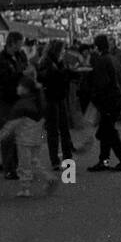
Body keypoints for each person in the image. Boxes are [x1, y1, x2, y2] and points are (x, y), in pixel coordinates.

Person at [0, 75, 55, 199]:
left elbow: (13, 123)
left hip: (24, 139)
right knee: (34, 160)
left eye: (19, 86)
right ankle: (48, 176)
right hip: (36, 138)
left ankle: (25, 188)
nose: (17, 88)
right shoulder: (38, 102)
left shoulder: (21, 105)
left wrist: (2, 134)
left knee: (24, 164)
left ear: (25, 89)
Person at [87, 34, 121, 173]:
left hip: (107, 100)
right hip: (113, 99)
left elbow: (102, 83)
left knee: (108, 132)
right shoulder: (111, 59)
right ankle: (104, 160)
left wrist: (95, 97)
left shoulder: (101, 61)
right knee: (107, 130)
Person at [0, 31, 28, 179]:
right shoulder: (0, 59)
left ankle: (16, 165)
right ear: (12, 42)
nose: (21, 45)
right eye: (20, 42)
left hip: (18, 99)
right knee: (8, 134)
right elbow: (2, 79)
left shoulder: (20, 56)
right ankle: (9, 168)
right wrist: (20, 74)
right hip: (5, 100)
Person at [37, 39, 74, 171]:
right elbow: (45, 77)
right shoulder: (47, 62)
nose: (64, 52)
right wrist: (63, 74)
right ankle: (56, 159)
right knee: (54, 130)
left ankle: (66, 157)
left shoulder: (57, 62)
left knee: (62, 128)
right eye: (62, 49)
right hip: (51, 98)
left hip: (59, 97)